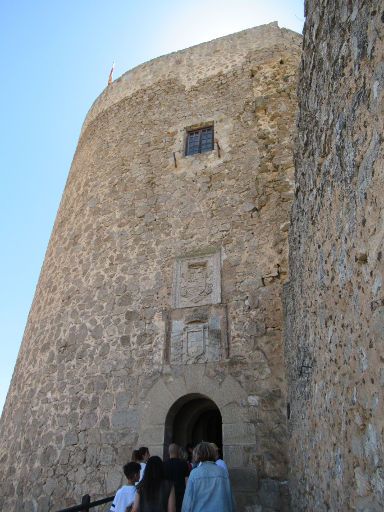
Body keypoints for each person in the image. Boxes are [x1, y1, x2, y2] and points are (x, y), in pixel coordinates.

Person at [181, 442, 234, 512]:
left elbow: (187, 502)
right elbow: (230, 500)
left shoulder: (194, 474)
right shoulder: (222, 472)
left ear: (198, 454)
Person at [163, 444, 190, 512]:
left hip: (167, 496)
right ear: (178, 452)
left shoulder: (163, 464)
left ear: (168, 452)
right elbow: (187, 482)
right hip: (181, 495)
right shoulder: (184, 464)